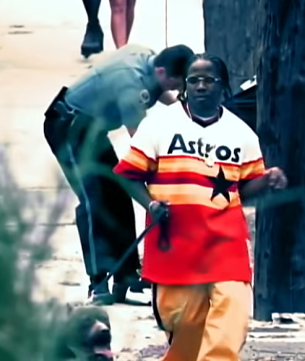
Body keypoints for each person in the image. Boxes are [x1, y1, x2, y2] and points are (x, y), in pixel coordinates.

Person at [113, 53, 288, 360]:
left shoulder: (242, 134)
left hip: (225, 239)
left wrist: (267, 180)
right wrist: (150, 204)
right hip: (175, 241)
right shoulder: (158, 124)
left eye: (209, 80)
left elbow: (243, 188)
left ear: (224, 87)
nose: (201, 86)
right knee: (186, 326)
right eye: (194, 80)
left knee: (231, 312)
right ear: (184, 86)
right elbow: (128, 176)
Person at [43, 44, 194, 304]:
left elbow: (158, 92)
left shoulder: (146, 58)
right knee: (94, 200)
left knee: (118, 193)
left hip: (91, 126)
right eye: (175, 85)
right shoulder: (129, 87)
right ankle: (97, 281)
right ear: (162, 71)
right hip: (68, 127)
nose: (175, 91)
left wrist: (181, 105)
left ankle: (125, 274)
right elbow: (141, 144)